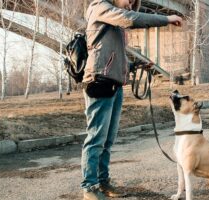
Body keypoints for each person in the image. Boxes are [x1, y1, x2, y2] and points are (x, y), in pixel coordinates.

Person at [81, 0, 182, 199]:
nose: (131, 4)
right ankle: (89, 188)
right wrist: (166, 19)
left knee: (107, 140)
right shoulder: (100, 6)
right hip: (99, 81)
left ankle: (103, 182)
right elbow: (131, 19)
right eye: (129, 0)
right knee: (96, 139)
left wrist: (135, 66)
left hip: (115, 84)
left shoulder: (113, 21)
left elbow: (112, 54)